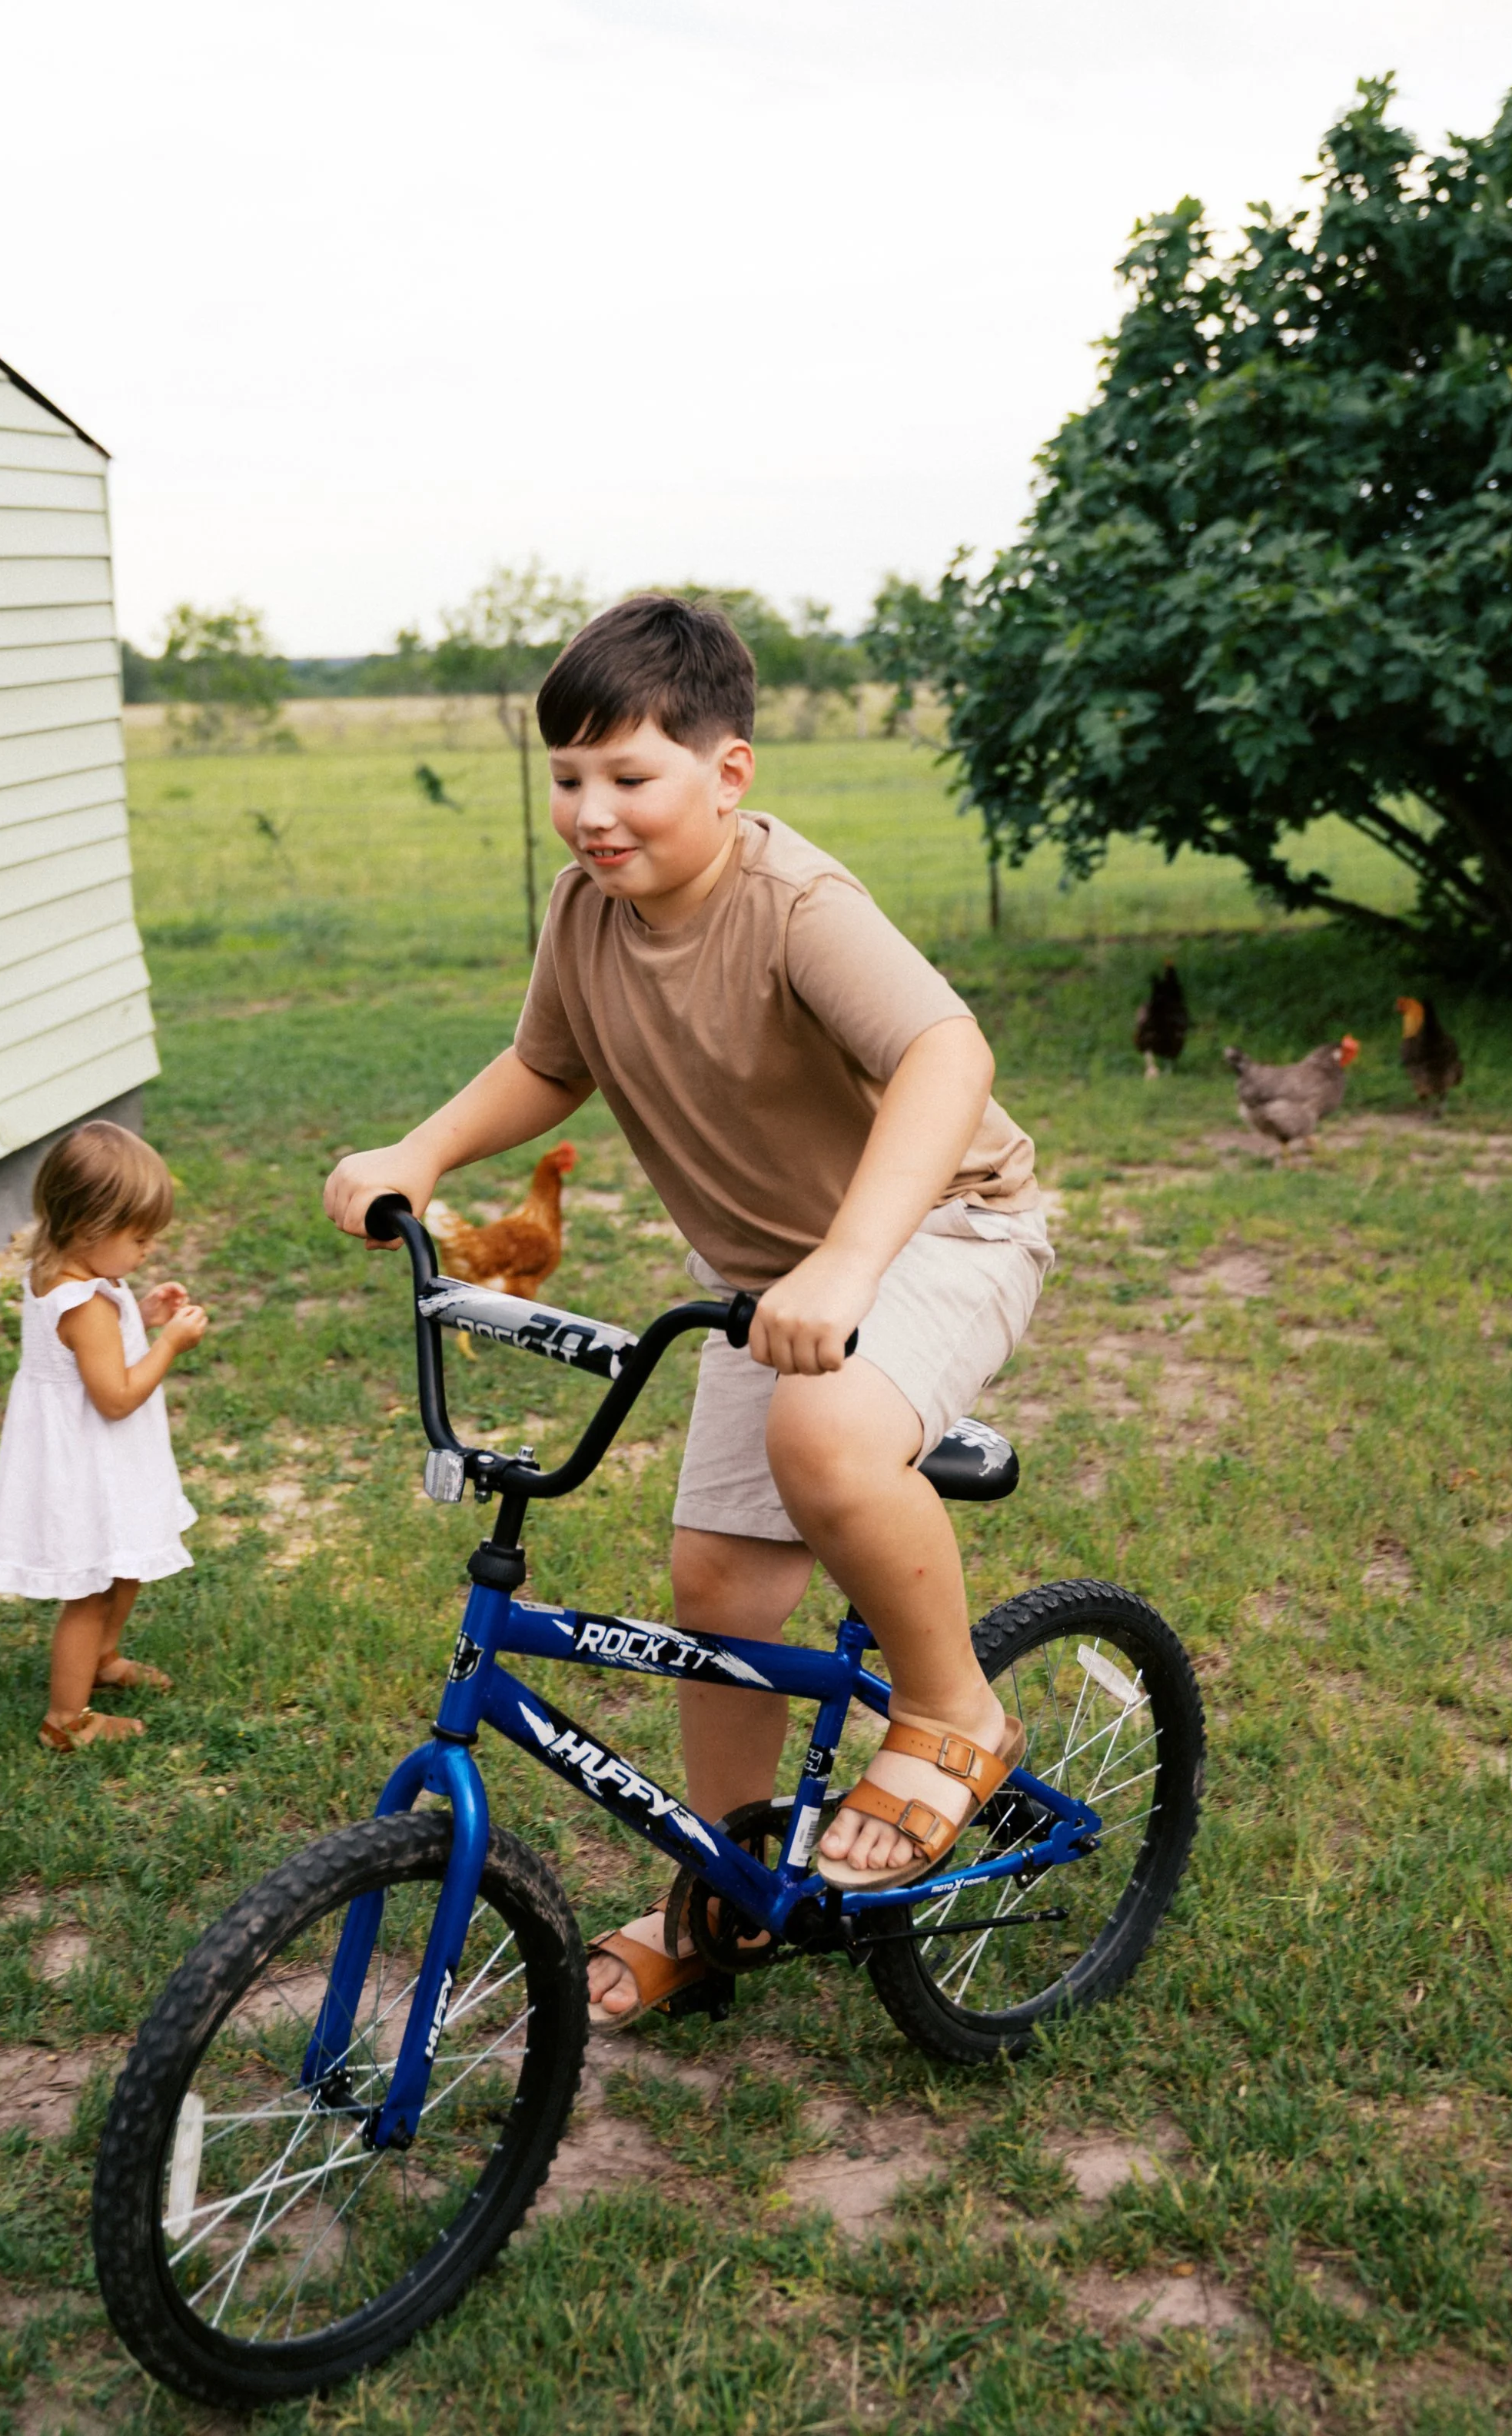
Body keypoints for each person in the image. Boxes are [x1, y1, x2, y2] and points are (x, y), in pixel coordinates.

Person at [323, 594, 1051, 2026]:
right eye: (567, 779)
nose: (593, 813)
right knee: (720, 1592)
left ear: (729, 775)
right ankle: (723, 1896)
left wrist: (848, 1265)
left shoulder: (795, 906)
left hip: (942, 1225)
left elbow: (945, 1056)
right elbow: (549, 1062)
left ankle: (953, 1707)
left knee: (830, 1448)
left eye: (629, 777)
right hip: (773, 1284)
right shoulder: (587, 909)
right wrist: (421, 1152)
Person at [0, 1121, 208, 1750]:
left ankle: (102, 1661)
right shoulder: (87, 1306)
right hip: (88, 1462)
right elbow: (117, 1394)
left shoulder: (67, 1275)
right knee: (92, 1586)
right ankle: (65, 1720)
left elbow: (99, 1346)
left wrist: (145, 1312)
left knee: (122, 1564)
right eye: (139, 1237)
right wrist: (170, 1343)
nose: (147, 1250)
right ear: (89, 1228)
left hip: (91, 1455)